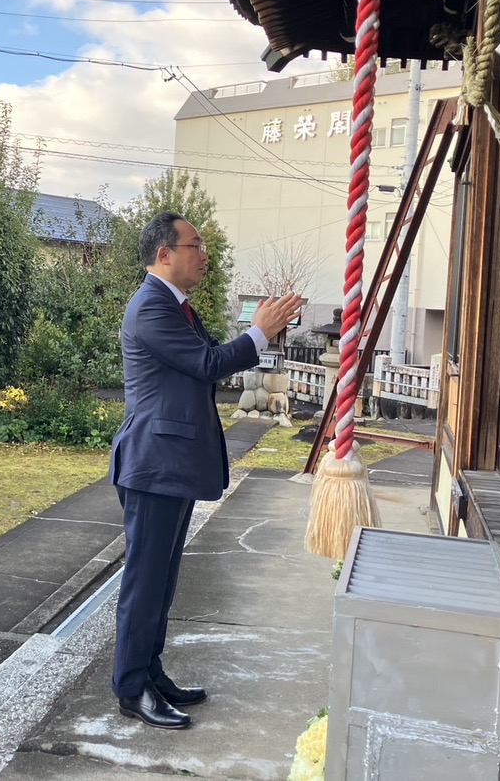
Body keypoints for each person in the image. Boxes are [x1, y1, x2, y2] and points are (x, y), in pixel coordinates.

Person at [109, 213, 302, 729]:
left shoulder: (175, 305)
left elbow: (207, 358)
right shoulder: (151, 306)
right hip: (152, 464)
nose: (205, 255)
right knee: (145, 582)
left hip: (168, 463)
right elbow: (208, 364)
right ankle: (131, 688)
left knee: (162, 580)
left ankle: (150, 673)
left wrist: (260, 333)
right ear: (164, 254)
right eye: (195, 245)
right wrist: (259, 332)